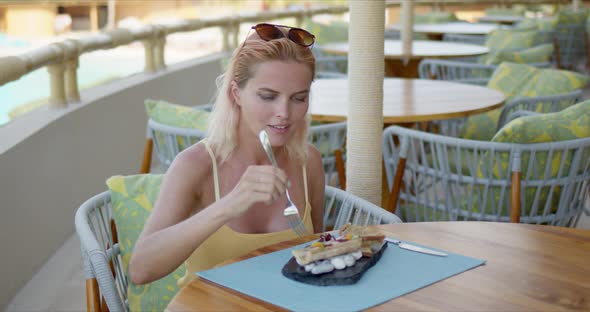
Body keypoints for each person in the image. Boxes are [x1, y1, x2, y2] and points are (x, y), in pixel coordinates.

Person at [129, 23, 325, 287]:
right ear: (236, 94)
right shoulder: (196, 165)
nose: (284, 113)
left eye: (298, 98)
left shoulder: (307, 162)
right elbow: (141, 269)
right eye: (268, 96)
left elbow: (316, 258)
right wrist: (227, 205)